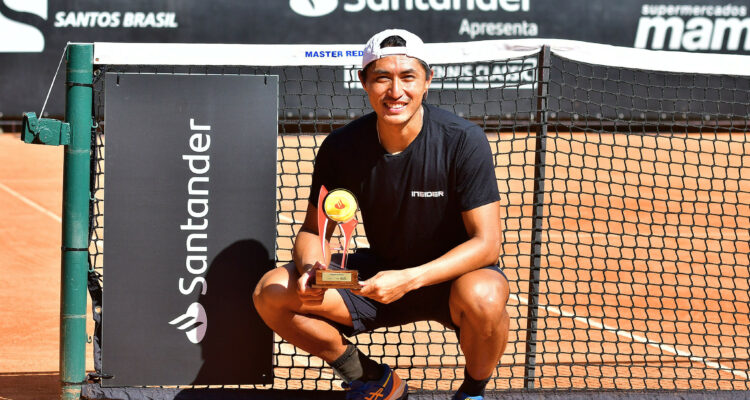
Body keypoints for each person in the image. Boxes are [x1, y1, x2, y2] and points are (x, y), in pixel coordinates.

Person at [253, 28, 510, 400]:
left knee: (486, 296)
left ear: (427, 80)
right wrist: (312, 268)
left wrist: (409, 278)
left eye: (408, 77)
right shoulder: (342, 147)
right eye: (382, 78)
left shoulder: (462, 140)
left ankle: (472, 392)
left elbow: (486, 245)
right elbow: (315, 232)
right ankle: (370, 378)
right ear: (363, 82)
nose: (395, 92)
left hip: (450, 280)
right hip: (373, 278)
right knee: (272, 292)